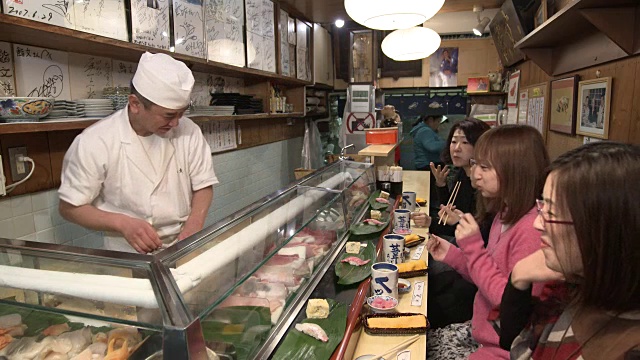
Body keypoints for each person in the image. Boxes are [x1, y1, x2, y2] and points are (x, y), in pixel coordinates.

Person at [59, 52, 218, 254]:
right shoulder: (95, 141)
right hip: (126, 252)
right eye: (169, 115)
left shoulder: (190, 131)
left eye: (181, 113)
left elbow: (203, 185)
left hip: (182, 245)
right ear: (135, 104)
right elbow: (69, 208)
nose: (176, 123)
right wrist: (122, 223)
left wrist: (192, 229)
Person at [500, 142, 640, 360]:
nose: (538, 223)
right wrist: (519, 276)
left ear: (605, 228)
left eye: (552, 212)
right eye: (542, 206)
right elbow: (513, 343)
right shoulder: (574, 287)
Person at [426, 125, 550, 359]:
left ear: (516, 170)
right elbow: (488, 274)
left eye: (485, 167)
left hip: (502, 347)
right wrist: (452, 255)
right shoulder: (503, 214)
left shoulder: (532, 229)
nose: (475, 175)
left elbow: (510, 303)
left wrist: (473, 249)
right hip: (480, 333)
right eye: (475, 165)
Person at [410, 107, 446, 211]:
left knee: (430, 195)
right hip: (428, 167)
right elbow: (432, 146)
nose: (439, 124)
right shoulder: (425, 131)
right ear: (430, 120)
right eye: (438, 121)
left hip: (426, 167)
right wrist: (447, 143)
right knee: (433, 197)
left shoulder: (423, 130)